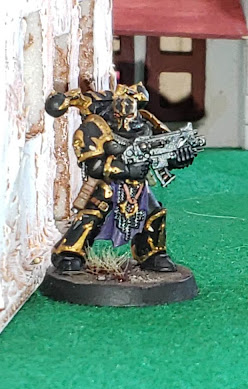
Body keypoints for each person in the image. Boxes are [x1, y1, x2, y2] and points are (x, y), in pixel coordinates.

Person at [45, 83, 198, 273]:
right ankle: (70, 252)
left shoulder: (147, 123)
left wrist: (180, 156)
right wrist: (126, 169)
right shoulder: (95, 125)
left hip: (138, 187)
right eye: (119, 115)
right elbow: (94, 166)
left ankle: (151, 253)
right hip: (108, 184)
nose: (126, 121)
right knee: (93, 213)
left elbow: (166, 149)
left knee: (154, 213)